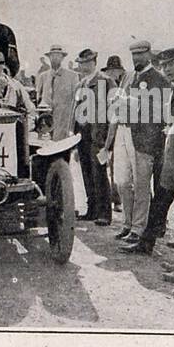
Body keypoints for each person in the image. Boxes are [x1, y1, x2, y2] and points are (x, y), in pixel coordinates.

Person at [107, 39, 170, 251]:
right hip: (125, 131)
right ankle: (127, 223)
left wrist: (128, 102)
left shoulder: (158, 79)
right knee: (122, 182)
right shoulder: (130, 76)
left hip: (144, 138)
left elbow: (157, 110)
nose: (136, 59)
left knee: (142, 186)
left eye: (140, 55)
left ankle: (138, 228)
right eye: (133, 55)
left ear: (149, 55)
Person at [129, 44, 174, 256]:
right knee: (162, 198)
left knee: (172, 201)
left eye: (171, 64)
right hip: (167, 151)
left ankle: (151, 243)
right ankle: (146, 243)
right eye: (163, 65)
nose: (167, 69)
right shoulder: (172, 88)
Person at [74, 48, 114, 226]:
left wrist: (108, 138)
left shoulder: (106, 81)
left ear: (94, 63)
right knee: (87, 171)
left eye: (86, 63)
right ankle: (92, 210)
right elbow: (75, 110)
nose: (83, 66)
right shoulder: (81, 84)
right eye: (81, 63)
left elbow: (113, 111)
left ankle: (104, 213)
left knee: (99, 172)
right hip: (83, 134)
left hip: (98, 134)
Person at [36, 44, 79, 140]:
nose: (55, 58)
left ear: (62, 58)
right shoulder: (43, 76)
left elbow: (77, 101)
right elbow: (38, 99)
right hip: (47, 125)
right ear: (49, 57)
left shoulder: (72, 76)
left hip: (65, 124)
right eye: (52, 56)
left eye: (58, 55)